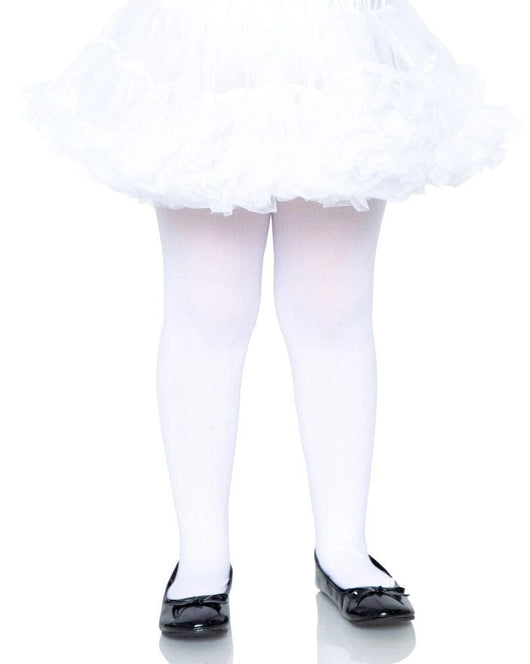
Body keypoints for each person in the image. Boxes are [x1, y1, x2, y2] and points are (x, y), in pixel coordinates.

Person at [20, 0, 518, 635]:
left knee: (332, 307)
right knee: (209, 308)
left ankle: (344, 547)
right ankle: (202, 555)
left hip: (335, 37)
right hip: (205, 36)